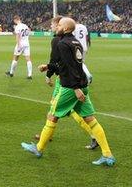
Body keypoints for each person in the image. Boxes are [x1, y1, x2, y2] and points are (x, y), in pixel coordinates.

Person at [22, 17, 115, 166]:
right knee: (90, 119)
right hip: (82, 84)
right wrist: (49, 67)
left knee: (52, 116)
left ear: (65, 29)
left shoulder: (62, 43)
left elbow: (70, 67)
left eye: (59, 25)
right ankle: (108, 155)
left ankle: (38, 149)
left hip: (70, 87)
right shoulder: (75, 42)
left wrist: (76, 88)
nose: (57, 26)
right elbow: (72, 66)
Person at [37, 16, 98, 150]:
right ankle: (46, 136)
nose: (52, 27)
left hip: (65, 81)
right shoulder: (73, 40)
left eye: (54, 25)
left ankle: (42, 143)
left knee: (57, 110)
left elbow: (57, 61)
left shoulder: (57, 41)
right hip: (73, 78)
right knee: (67, 110)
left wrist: (48, 74)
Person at [6, 15, 33, 79]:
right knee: (28, 59)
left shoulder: (17, 26)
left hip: (20, 44)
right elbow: (28, 32)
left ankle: (11, 73)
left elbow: (17, 36)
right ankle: (30, 75)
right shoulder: (25, 25)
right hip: (27, 43)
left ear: (15, 20)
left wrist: (18, 44)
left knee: (15, 58)